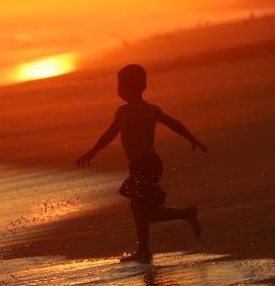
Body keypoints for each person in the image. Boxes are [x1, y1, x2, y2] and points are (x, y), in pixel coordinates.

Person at [77, 64, 207, 263]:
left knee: (142, 210)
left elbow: (110, 133)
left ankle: (182, 217)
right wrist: (192, 139)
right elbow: (173, 123)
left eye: (122, 85)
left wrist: (92, 152)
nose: (119, 89)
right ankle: (146, 248)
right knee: (139, 209)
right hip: (150, 164)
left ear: (132, 88)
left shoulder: (125, 112)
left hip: (144, 166)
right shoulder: (150, 109)